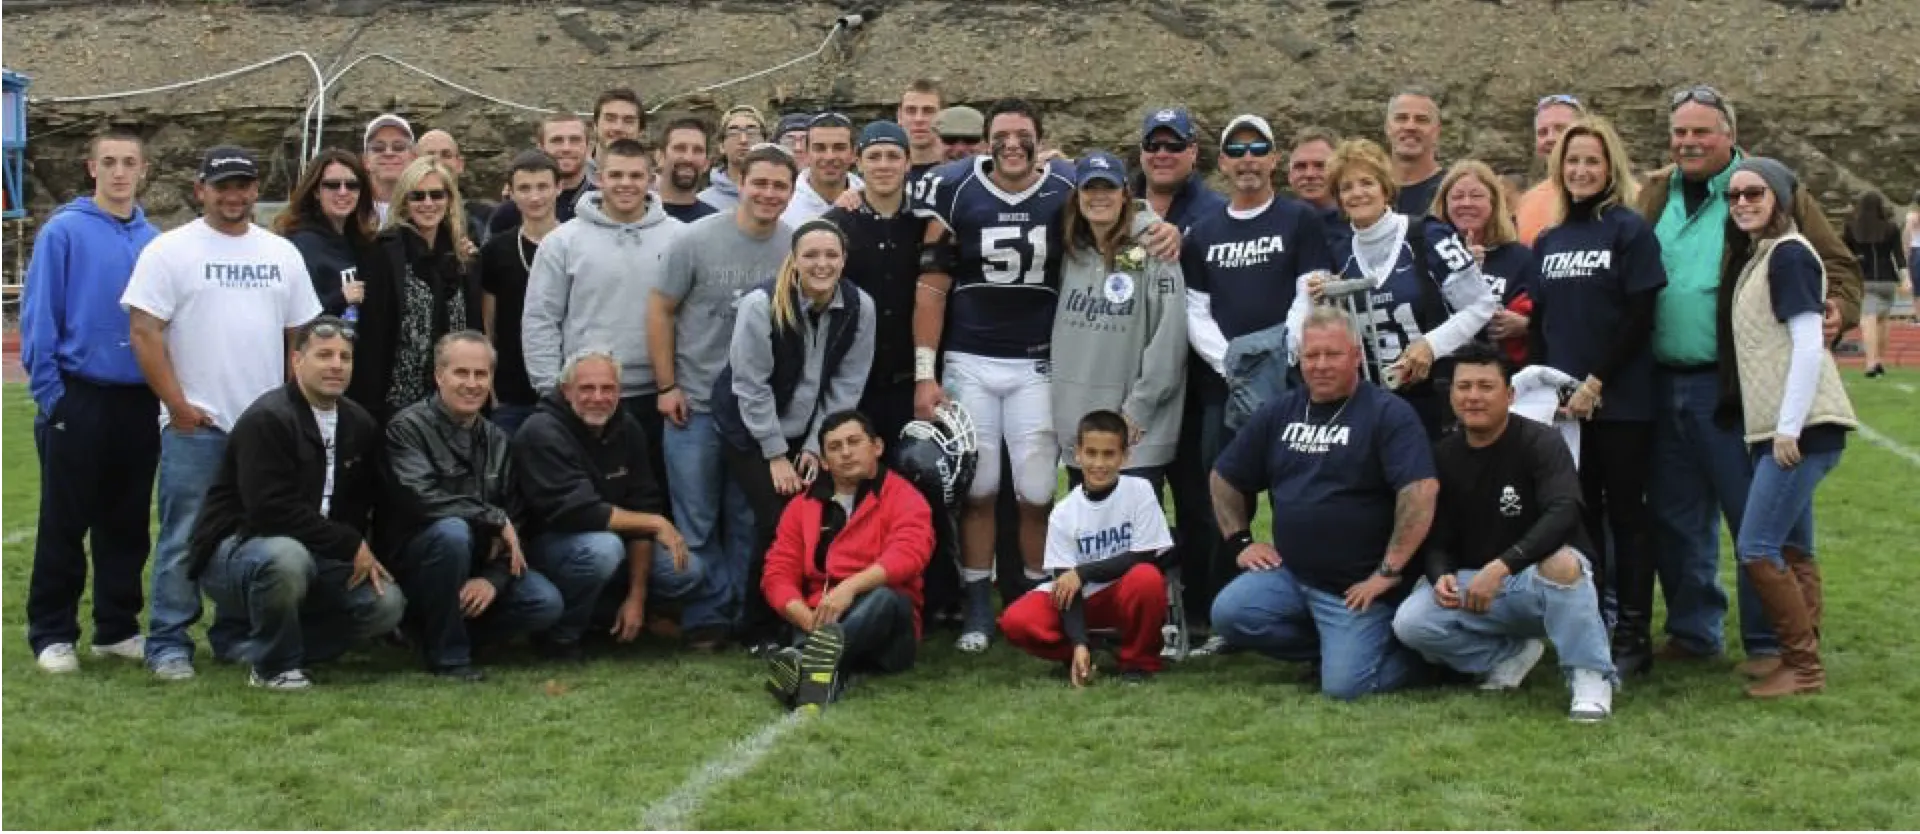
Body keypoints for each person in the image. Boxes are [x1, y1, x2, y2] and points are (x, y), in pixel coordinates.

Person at [913, 98, 1182, 653]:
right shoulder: (955, 187)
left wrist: (1160, 227)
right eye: (1002, 135)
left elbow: (1118, 204)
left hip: (1038, 361)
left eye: (1024, 135)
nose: (1013, 145)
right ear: (987, 141)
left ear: (1041, 139)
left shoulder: (1064, 184)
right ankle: (977, 606)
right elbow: (932, 282)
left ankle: (1038, 596)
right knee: (980, 489)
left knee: (1036, 491)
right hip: (971, 356)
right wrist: (925, 369)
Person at [1635, 84, 1861, 671]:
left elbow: (1835, 263)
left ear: (1730, 136)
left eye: (1701, 131)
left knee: (1753, 516)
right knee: (1677, 518)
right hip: (1664, 381)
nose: (1688, 142)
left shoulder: (1767, 185)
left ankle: (1769, 644)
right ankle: (1693, 631)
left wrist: (1836, 307)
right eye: (1680, 132)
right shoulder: (1655, 192)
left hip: (1735, 386)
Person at [123, 145, 323, 681]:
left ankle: (234, 635)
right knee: (185, 535)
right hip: (199, 426)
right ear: (200, 191)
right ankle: (168, 641)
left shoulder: (280, 253)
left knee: (254, 533)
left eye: (243, 185)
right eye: (222, 186)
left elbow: (298, 336)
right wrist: (178, 406)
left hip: (261, 429)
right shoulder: (170, 251)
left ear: (257, 190)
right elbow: (144, 331)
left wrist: (287, 405)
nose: (233, 196)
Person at [1208, 307, 1438, 701]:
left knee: (1345, 688)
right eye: (1312, 356)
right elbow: (1224, 476)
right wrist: (1241, 542)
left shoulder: (1388, 414)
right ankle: (1333, 650)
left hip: (1358, 588)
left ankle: (1428, 659)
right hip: (1294, 575)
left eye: (1332, 355)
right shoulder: (1281, 412)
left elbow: (1420, 491)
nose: (1321, 365)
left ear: (1355, 356)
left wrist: (1389, 570)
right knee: (1230, 614)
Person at [1390, 345, 1617, 722]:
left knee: (1563, 563)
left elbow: (1564, 512)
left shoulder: (1542, 442)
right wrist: (1439, 573)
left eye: (1485, 386)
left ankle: (1591, 677)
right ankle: (1510, 655)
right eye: (1464, 387)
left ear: (1509, 395)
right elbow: (1437, 535)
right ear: (1451, 394)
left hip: (1535, 583)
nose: (1473, 397)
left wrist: (1503, 567)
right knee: (1410, 623)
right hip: (1478, 587)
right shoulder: (1443, 455)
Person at [189, 317, 405, 690]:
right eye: (324, 355)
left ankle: (261, 646)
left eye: (345, 357)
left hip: (320, 553)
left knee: (387, 605)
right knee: (288, 559)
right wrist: (350, 544)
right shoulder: (268, 419)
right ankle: (274, 667)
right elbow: (269, 511)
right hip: (240, 549)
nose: (336, 365)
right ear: (296, 361)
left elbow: (370, 501)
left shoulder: (360, 424)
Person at [1529, 117, 1667, 675]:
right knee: (1576, 518)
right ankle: (1591, 624)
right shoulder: (1549, 240)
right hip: (1564, 410)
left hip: (1621, 402)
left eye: (1592, 160)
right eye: (1572, 161)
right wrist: (1551, 387)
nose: (1581, 170)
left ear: (1611, 168)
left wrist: (1596, 383)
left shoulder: (1629, 230)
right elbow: (1543, 321)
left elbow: (1640, 316)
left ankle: (1632, 632)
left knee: (1628, 517)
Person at [21, 131, 162, 673]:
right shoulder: (64, 232)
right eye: (109, 162)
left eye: (129, 162)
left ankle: (117, 627)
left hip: (137, 399)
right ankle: (52, 633)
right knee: (64, 519)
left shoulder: (155, 238)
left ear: (143, 170)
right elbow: (40, 319)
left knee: (126, 521)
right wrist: (54, 398)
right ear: (91, 169)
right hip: (79, 395)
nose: (119, 172)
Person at [1718, 158, 1858, 697]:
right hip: (1779, 428)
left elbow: (1806, 344)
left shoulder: (1790, 255)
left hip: (1799, 429)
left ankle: (1801, 667)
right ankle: (1801, 654)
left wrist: (1788, 428)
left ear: (1780, 198)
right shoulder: (1762, 256)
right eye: (1734, 196)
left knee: (1756, 547)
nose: (1743, 203)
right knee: (1795, 548)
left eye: (1755, 193)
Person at [651, 145, 798, 649]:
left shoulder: (795, 247)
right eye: (760, 183)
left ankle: (740, 613)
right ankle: (704, 618)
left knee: (746, 518)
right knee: (696, 518)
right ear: (740, 181)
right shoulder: (696, 239)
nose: (768, 193)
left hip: (754, 413)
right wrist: (667, 384)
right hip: (694, 404)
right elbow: (661, 309)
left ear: (791, 193)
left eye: (780, 186)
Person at [712, 219, 877, 648]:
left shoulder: (861, 306)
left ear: (843, 259)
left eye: (831, 255)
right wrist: (775, 454)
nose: (821, 264)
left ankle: (810, 617)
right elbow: (749, 385)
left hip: (810, 429)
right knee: (778, 519)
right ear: (794, 258)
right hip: (752, 427)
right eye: (811, 255)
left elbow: (846, 385)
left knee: (821, 515)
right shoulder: (760, 303)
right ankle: (757, 628)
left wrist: (813, 446)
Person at [512, 351, 721, 658]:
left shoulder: (626, 427)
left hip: (608, 545)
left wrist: (637, 596)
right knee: (602, 550)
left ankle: (611, 617)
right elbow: (578, 510)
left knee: (686, 571)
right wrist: (655, 523)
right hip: (544, 550)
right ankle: (561, 636)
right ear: (566, 390)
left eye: (607, 388)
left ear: (619, 392)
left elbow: (643, 503)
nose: (598, 397)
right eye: (587, 388)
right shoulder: (541, 431)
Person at [384, 332, 561, 681]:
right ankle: (448, 658)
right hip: (417, 565)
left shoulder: (498, 439)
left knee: (545, 603)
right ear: (439, 376)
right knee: (452, 531)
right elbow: (420, 496)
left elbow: (517, 520)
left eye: (481, 375)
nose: (472, 384)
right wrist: (492, 517)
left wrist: (492, 580)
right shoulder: (406, 428)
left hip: (478, 564)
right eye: (461, 373)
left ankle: (434, 633)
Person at [1293, 138, 1497, 437]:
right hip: (1369, 403)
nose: (1357, 193)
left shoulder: (1428, 235)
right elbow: (1312, 323)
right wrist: (1317, 298)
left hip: (1435, 398)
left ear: (1385, 189)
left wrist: (1431, 345)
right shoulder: (1337, 252)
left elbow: (1481, 304)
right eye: (1347, 187)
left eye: (1367, 182)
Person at [524, 138, 683, 486]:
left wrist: (678, 384)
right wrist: (551, 389)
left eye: (635, 175)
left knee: (654, 493)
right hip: (586, 396)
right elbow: (541, 318)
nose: (625, 184)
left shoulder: (680, 238)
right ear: (599, 178)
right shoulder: (562, 241)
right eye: (616, 175)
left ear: (651, 178)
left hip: (660, 395)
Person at [761, 411, 934, 711]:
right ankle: (819, 670)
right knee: (813, 613)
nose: (846, 452)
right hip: (819, 618)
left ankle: (803, 658)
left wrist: (850, 588)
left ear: (877, 447)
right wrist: (804, 616)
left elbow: (909, 554)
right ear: (825, 462)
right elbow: (777, 573)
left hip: (888, 636)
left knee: (886, 596)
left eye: (854, 442)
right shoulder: (801, 506)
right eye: (835, 447)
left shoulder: (905, 497)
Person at [1000, 410, 1173, 684]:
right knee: (1016, 620)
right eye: (1091, 453)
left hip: (1123, 592)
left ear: (1125, 456)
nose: (1099, 463)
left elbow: (1144, 555)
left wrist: (1083, 572)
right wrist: (1078, 641)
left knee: (1146, 578)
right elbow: (1066, 587)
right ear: (1077, 453)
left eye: (1109, 454)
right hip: (1082, 600)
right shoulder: (1063, 512)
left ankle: (1137, 663)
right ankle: (1082, 653)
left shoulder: (1139, 490)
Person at [1052, 151, 1187, 489]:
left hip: (1135, 433)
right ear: (1077, 194)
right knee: (1086, 536)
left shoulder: (1156, 248)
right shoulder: (1069, 251)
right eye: (1090, 187)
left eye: (1108, 188)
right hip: (1079, 433)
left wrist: (1137, 410)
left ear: (1125, 193)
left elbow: (1169, 339)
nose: (1099, 196)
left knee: (1133, 538)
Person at [348, 157, 481, 424]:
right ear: (404, 202)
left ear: (449, 199)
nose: (428, 203)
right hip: (398, 407)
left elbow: (475, 327)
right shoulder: (384, 252)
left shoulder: (462, 257)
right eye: (417, 196)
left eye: (436, 194)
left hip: (456, 402)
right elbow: (373, 338)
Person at [824, 122, 927, 446]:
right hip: (850, 382)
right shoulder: (834, 224)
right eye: (875, 156)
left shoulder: (927, 223)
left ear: (908, 162)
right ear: (859, 162)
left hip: (910, 380)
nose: (883, 165)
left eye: (893, 156)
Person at [478, 150, 562, 435]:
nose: (535, 197)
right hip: (510, 393)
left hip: (568, 390)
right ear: (510, 193)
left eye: (542, 187)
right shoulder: (495, 250)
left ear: (558, 188)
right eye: (524, 188)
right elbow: (488, 325)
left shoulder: (576, 243)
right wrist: (491, 389)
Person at [1434, 160, 1537, 365]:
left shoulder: (1522, 257)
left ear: (1494, 203)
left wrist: (1525, 325)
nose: (1466, 203)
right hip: (1443, 372)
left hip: (1503, 373)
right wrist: (1460, 267)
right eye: (1457, 197)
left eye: (1476, 196)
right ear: (1445, 205)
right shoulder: (1430, 254)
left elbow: (1551, 315)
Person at [273, 148, 375, 317]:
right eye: (332, 185)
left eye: (352, 185)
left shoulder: (363, 242)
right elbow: (293, 315)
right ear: (315, 192)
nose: (343, 192)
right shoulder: (301, 246)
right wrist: (341, 299)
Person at [488, 113, 593, 236]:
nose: (566, 148)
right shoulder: (511, 211)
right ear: (540, 148)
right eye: (557, 140)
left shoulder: (601, 203)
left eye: (575, 140)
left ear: (589, 148)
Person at [1844, 190, 1908, 378]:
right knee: (1883, 320)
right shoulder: (1891, 228)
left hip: (1865, 279)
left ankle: (1871, 363)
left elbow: (1846, 255)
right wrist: (1905, 278)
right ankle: (1879, 359)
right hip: (1888, 279)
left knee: (1867, 320)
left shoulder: (1851, 228)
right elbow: (1899, 256)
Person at [1134, 107, 1226, 234]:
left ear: (1193, 152)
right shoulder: (1118, 209)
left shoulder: (1218, 213)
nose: (1162, 155)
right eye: (1152, 145)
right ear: (1141, 152)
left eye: (1174, 146)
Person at [1516, 94, 1586, 246]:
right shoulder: (1527, 202)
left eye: (1561, 129)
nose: (1550, 138)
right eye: (1542, 132)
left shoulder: (1625, 195)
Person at [781, 113, 863, 226]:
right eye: (820, 148)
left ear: (854, 153)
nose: (829, 157)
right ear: (806, 152)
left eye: (839, 148)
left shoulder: (869, 199)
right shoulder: (784, 203)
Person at [415, 129, 494, 242]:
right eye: (429, 155)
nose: (438, 161)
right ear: (414, 163)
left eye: (446, 155)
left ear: (460, 164)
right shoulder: (403, 217)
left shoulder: (485, 217)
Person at [1286, 126, 1347, 251]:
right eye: (1300, 166)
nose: (1309, 174)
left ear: (1340, 170)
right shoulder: (1275, 224)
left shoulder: (1361, 224)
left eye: (1320, 165)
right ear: (1290, 175)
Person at [1385, 90, 1445, 217]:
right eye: (1401, 118)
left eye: (1421, 120)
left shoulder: (1452, 191)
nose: (1410, 126)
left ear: (1437, 131)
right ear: (1387, 127)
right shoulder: (1366, 192)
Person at [698, 105, 766, 213]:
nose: (743, 140)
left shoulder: (782, 198)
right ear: (721, 146)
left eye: (752, 132)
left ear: (766, 142)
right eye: (733, 133)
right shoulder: (702, 203)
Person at [659, 117, 720, 223]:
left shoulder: (714, 223)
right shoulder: (637, 216)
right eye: (680, 148)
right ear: (660, 157)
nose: (688, 158)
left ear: (706, 163)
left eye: (698, 150)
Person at [362, 113, 415, 224]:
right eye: (378, 148)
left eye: (398, 147)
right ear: (365, 160)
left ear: (413, 157)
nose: (389, 153)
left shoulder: (428, 206)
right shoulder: (350, 208)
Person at [897, 78, 946, 179]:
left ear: (944, 116)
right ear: (899, 116)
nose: (919, 119)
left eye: (928, 111)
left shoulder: (958, 174)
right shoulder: (887, 176)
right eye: (911, 110)